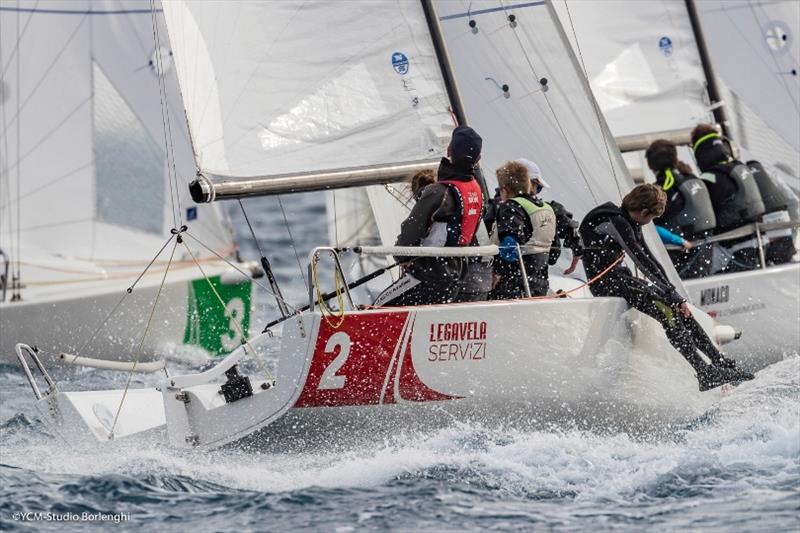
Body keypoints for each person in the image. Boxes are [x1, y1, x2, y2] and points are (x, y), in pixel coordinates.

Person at [579, 184, 754, 391]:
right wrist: (672, 296)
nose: (649, 222)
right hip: (606, 283)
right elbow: (640, 259)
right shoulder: (617, 221)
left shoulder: (630, 220)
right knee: (668, 309)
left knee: (679, 309)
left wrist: (674, 294)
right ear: (644, 212)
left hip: (621, 278)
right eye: (651, 218)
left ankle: (719, 362)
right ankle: (703, 371)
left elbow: (651, 258)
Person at [373, 126, 484, 307]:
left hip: (428, 275)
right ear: (478, 159)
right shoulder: (477, 191)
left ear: (449, 150)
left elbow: (410, 231)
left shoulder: (438, 191)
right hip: (454, 277)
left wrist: (403, 257)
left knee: (376, 309)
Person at [691, 124, 765, 272]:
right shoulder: (740, 167)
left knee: (697, 271)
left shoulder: (708, 179)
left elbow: (705, 221)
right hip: (761, 243)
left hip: (733, 249)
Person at [645, 139, 715, 278]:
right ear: (675, 158)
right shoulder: (691, 178)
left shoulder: (663, 188)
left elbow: (649, 225)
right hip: (706, 253)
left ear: (651, 165)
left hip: (681, 256)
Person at [490, 161, 556, 299]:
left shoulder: (510, 207)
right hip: (540, 283)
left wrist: (497, 273)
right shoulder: (547, 208)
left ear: (504, 190)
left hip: (515, 285)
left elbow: (511, 245)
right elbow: (555, 254)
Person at [516, 159, 583, 277]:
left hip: (514, 276)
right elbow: (571, 230)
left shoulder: (496, 206)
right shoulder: (548, 210)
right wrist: (576, 257)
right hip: (532, 277)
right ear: (530, 185)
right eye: (538, 187)